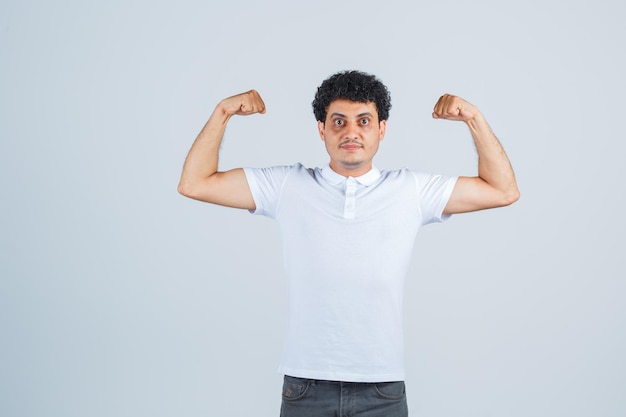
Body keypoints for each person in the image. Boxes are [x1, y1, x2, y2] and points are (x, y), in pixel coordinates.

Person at [178, 70, 519, 417]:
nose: (351, 132)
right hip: (306, 387)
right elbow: (195, 183)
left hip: (381, 389)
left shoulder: (410, 190)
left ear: (381, 130)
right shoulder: (286, 186)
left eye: (364, 121)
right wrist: (223, 112)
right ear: (321, 130)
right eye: (338, 121)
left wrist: (473, 118)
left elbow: (502, 190)